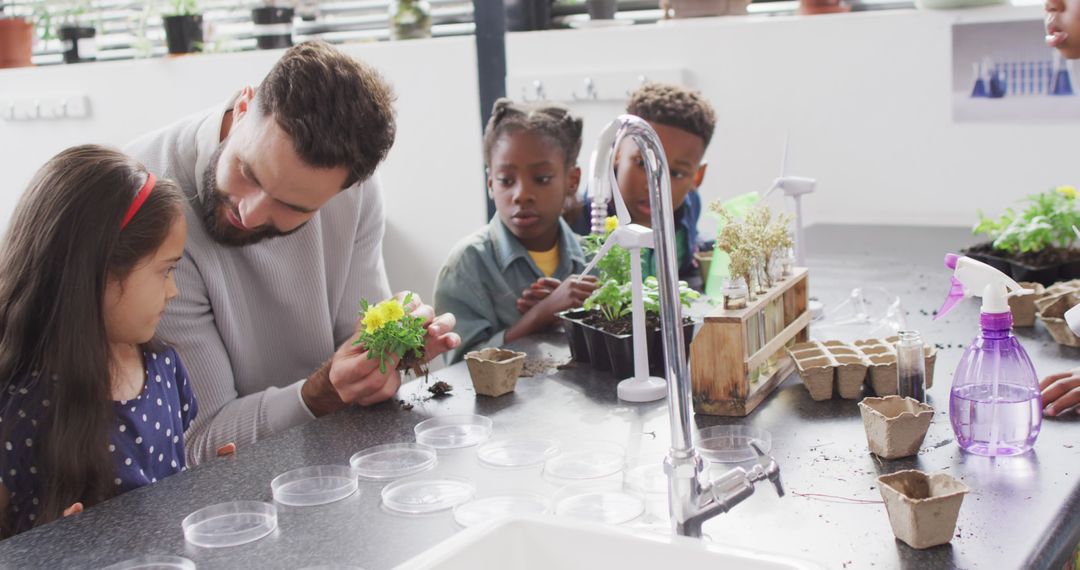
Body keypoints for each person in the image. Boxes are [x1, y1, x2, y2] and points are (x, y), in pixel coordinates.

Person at [124, 40, 459, 464]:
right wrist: (321, 394)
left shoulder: (357, 197)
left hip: (325, 463)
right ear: (244, 106)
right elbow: (197, 443)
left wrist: (386, 362)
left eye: (293, 207)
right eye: (248, 172)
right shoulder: (145, 200)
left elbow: (355, 353)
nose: (249, 211)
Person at [0, 146, 195, 537]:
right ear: (100, 271)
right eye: (165, 271)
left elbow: (175, 480)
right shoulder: (22, 405)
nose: (173, 290)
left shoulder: (163, 367)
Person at [434, 99, 597, 363]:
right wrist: (538, 317)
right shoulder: (466, 265)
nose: (521, 195)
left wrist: (578, 314)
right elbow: (461, 373)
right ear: (490, 183)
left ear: (572, 180)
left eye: (542, 179)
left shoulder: (594, 259)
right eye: (506, 181)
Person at [568, 82, 716, 281]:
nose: (655, 186)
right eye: (642, 164)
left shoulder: (689, 205)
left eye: (676, 174)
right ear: (617, 152)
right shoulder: (578, 218)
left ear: (697, 177)